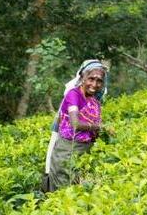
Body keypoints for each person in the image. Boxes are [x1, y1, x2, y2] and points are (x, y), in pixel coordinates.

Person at [46, 60, 114, 190]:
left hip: (85, 156)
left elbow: (93, 129)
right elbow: (76, 124)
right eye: (91, 79)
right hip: (68, 152)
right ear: (83, 77)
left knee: (80, 191)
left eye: (99, 81)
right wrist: (102, 127)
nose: (94, 84)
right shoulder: (74, 95)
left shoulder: (95, 102)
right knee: (63, 191)